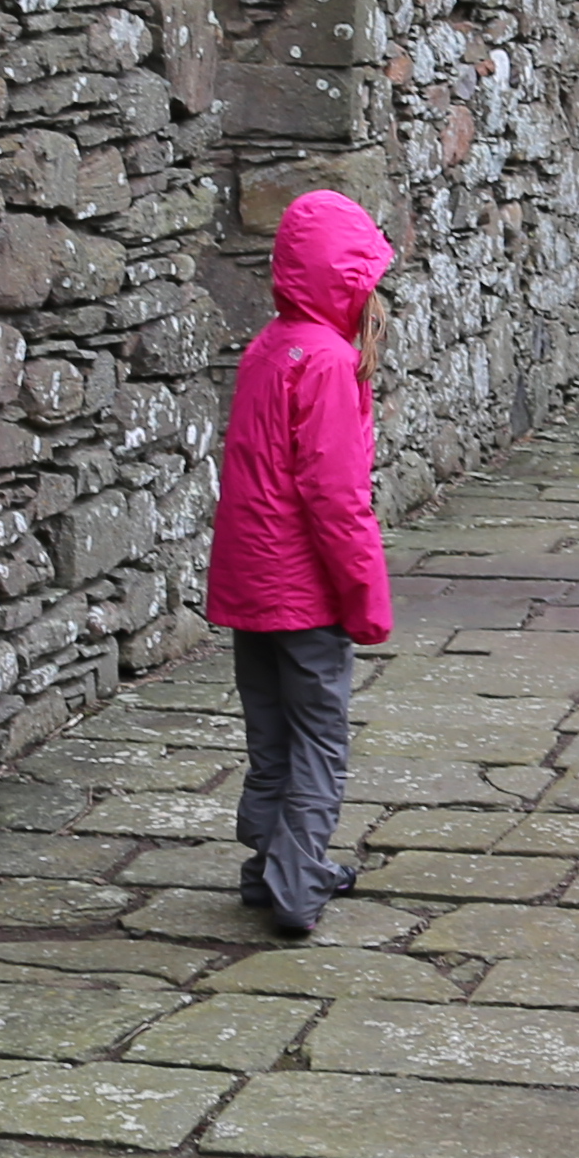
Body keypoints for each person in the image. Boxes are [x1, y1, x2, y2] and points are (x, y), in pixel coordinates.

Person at [204, 188, 395, 939]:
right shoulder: (325, 361)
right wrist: (365, 595)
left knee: (272, 729)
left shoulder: (269, 345)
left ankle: (269, 862)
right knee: (319, 736)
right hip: (304, 589)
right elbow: (335, 496)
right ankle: (295, 881)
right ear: (347, 278)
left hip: (252, 580)